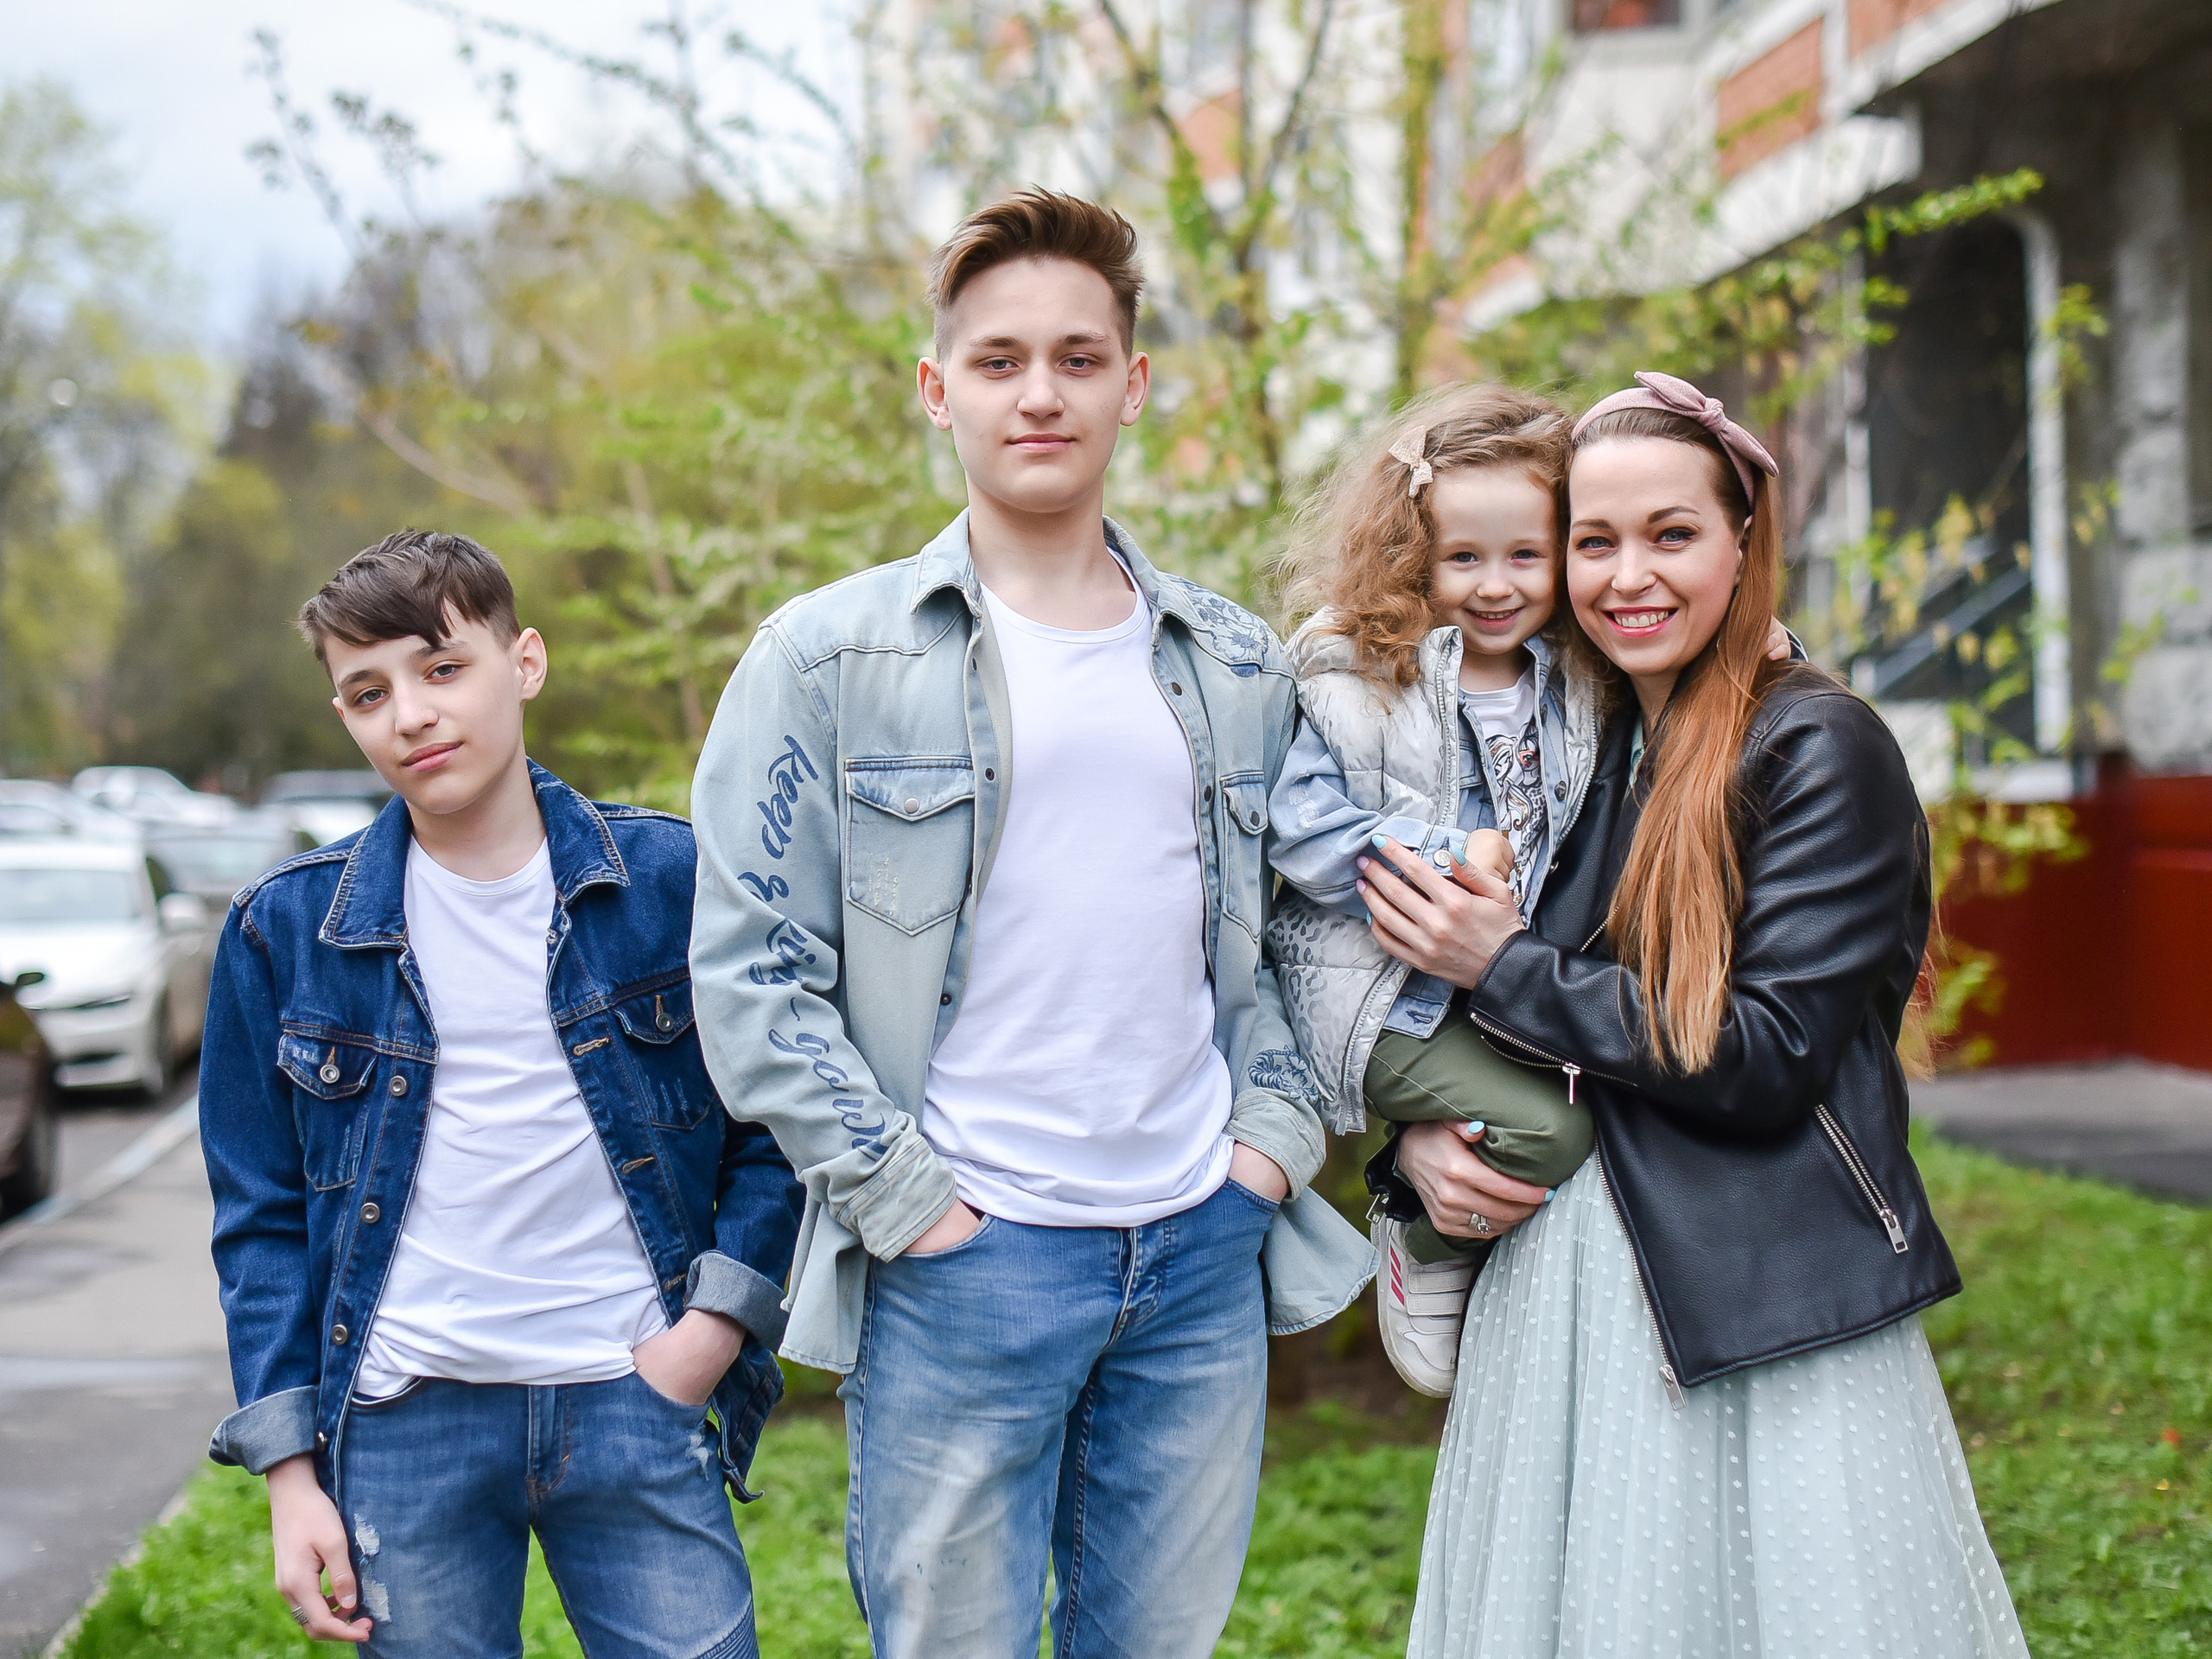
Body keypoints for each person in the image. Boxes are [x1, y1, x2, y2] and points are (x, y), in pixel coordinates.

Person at [687, 188, 1374, 1659]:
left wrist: (1271, 1145)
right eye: (999, 361)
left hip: (1200, 1243)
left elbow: (1331, 912)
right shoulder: (826, 657)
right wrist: (906, 1203)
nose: (1040, 391)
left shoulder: (1234, 661)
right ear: (939, 392)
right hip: (965, 1257)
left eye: (1077, 356)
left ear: (1135, 384)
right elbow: (749, 969)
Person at [1353, 371, 2029, 1656]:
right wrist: (1418, 1158)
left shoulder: (1817, 748)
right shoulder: (1588, 746)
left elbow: (1768, 1058)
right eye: (1593, 542)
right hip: (1561, 1298)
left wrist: (1506, 963)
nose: (1628, 576)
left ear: (1743, 542)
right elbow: (1504, 1046)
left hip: (1750, 1300)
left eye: (1672, 534)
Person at [200, 531, 802, 1657]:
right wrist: (290, 1472)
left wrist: (710, 1333)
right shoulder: (283, 930)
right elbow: (260, 1221)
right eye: (367, 692)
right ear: (344, 717)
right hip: (402, 1417)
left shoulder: (671, 883)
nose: (412, 715)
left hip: (634, 1394)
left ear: (523, 662)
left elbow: (773, 1127)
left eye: (441, 669)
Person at [1266, 383, 1791, 1397]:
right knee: (1554, 1130)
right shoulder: (1356, 670)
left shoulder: (1572, 672)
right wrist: (1442, 852)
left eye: (1528, 556)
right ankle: (1420, 1246)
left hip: (1498, 989)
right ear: (1412, 554)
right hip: (1378, 997)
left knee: (1599, 1105)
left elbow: (1675, 668)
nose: (1497, 586)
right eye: (1463, 559)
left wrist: (1769, 650)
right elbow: (1300, 830)